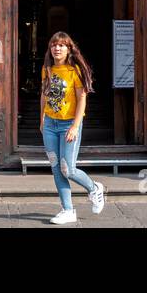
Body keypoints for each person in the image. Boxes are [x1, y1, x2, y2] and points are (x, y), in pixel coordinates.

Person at [40, 32, 106, 224]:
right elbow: (44, 94)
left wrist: (75, 126)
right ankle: (68, 210)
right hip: (50, 123)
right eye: (53, 45)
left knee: (67, 168)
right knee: (55, 168)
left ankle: (94, 188)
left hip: (69, 124)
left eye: (61, 45)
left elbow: (82, 99)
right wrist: (42, 119)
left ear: (69, 49)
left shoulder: (74, 70)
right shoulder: (47, 69)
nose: (57, 48)